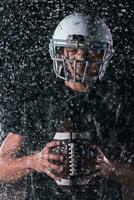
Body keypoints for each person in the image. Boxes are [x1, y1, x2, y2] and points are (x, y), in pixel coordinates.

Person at [0, 13, 134, 200]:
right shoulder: (37, 102)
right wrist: (33, 161)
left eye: (91, 50)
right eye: (73, 50)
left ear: (103, 54)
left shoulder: (120, 103)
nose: (80, 58)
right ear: (61, 52)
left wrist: (111, 169)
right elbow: (1, 168)